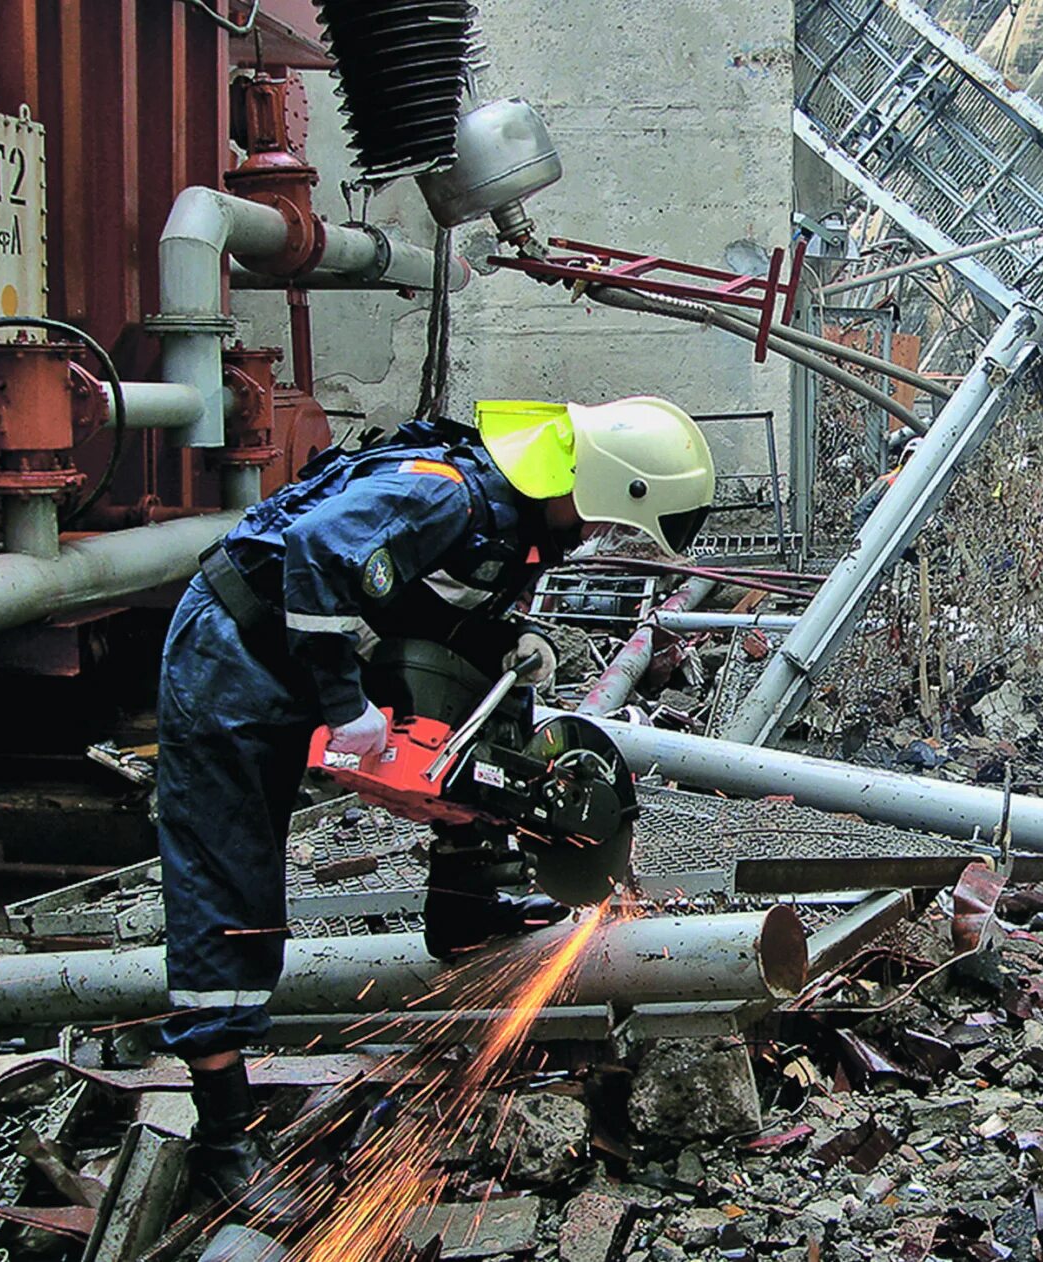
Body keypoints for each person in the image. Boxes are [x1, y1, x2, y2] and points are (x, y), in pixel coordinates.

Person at [155, 396, 714, 1220]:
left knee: (501, 741)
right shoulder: (445, 492)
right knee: (232, 885)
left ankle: (464, 909)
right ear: (603, 484)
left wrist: (510, 651)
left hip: (305, 652)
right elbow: (316, 553)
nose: (602, 540)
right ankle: (223, 1141)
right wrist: (346, 709)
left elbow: (436, 609)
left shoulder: (525, 521)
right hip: (233, 657)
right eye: (609, 524)